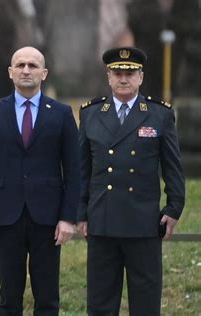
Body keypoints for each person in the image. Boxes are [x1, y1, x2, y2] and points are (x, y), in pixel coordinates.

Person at [77, 46, 185, 316]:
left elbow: (173, 167)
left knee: (146, 303)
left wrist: (174, 208)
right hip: (102, 222)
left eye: (130, 73)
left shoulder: (159, 114)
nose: (123, 78)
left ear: (140, 77)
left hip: (144, 223)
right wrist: (81, 213)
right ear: (108, 76)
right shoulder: (90, 114)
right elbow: (82, 171)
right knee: (101, 303)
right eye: (117, 72)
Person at [0, 46, 81, 316]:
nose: (26, 70)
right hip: (4, 217)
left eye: (33, 65)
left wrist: (68, 217)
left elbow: (74, 170)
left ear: (44, 73)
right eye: (20, 65)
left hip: (48, 220)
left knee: (48, 300)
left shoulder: (61, 114)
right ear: (10, 72)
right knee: (8, 298)